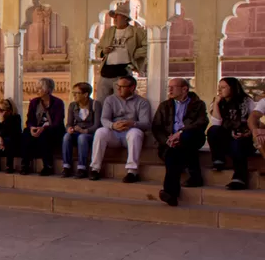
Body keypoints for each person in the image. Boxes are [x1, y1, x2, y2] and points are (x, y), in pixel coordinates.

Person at [154, 78, 209, 206]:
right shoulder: (165, 105)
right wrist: (168, 140)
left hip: (192, 137)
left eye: (173, 87)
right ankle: (171, 194)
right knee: (173, 154)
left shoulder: (198, 104)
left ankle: (173, 190)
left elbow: (201, 122)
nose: (170, 90)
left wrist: (181, 133)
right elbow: (156, 127)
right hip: (171, 142)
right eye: (169, 87)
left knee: (185, 139)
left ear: (184, 89)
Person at [89, 75, 152, 182]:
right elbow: (104, 119)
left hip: (130, 132)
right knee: (100, 132)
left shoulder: (142, 102)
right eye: (117, 86)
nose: (118, 89)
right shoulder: (110, 99)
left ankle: (132, 172)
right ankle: (95, 169)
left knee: (135, 133)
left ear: (132, 88)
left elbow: (146, 124)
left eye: (122, 87)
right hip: (114, 133)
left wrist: (132, 123)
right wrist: (113, 125)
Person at [210, 77, 256, 190]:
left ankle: (239, 178)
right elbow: (216, 122)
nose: (220, 90)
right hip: (226, 135)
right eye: (219, 87)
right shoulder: (218, 101)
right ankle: (218, 160)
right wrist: (216, 104)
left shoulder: (247, 101)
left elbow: (254, 122)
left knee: (237, 143)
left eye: (223, 87)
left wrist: (246, 133)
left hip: (244, 136)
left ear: (233, 88)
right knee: (213, 130)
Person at [96, 2, 147, 103]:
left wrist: (134, 54)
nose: (114, 18)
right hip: (106, 72)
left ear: (125, 17)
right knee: (100, 102)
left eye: (117, 16)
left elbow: (148, 46)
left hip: (122, 73)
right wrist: (103, 51)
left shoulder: (136, 32)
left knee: (120, 102)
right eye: (114, 16)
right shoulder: (109, 31)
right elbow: (99, 48)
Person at [20, 77, 66, 176]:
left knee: (44, 134)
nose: (37, 91)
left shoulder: (58, 103)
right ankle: (25, 165)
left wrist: (43, 128)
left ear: (48, 90)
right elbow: (30, 119)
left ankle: (47, 166)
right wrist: (32, 127)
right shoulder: (34, 102)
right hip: (37, 128)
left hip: (53, 130)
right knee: (26, 133)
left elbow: (57, 122)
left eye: (40, 88)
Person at [61, 82, 102, 178]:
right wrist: (69, 129)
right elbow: (69, 123)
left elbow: (97, 125)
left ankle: (82, 168)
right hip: (77, 132)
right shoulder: (72, 105)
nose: (74, 95)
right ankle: (66, 167)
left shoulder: (96, 104)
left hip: (90, 133)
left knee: (82, 138)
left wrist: (84, 131)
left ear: (85, 94)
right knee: (67, 136)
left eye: (77, 93)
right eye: (73, 93)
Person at [0, 98, 22, 174]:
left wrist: (2, 121)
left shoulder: (16, 117)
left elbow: (12, 132)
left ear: (9, 110)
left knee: (8, 140)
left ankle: (9, 166)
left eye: (1, 110)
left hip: (12, 138)